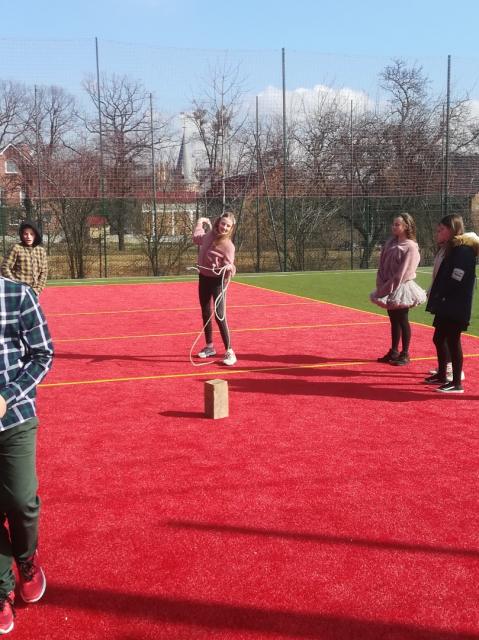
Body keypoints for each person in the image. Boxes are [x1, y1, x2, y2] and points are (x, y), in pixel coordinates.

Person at [0, 276, 54, 635]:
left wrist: (8, 396)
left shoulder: (17, 294)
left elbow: (42, 354)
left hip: (14, 417)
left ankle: (26, 559)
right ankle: (1, 588)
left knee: (20, 500)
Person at [425, 214, 479, 393]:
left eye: (441, 230)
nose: (438, 233)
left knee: (453, 341)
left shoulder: (463, 250)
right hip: (446, 303)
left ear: (451, 229)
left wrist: (442, 294)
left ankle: (456, 383)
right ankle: (442, 374)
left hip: (456, 304)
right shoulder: (453, 249)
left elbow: (458, 277)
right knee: (439, 338)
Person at [370, 213, 427, 366]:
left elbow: (404, 272)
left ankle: (405, 353)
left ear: (406, 226)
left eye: (397, 224)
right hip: (387, 285)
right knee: (393, 319)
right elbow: (382, 265)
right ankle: (394, 351)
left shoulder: (411, 247)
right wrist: (381, 283)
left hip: (401, 288)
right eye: (393, 224)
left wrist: (388, 287)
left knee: (402, 319)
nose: (394, 227)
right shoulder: (390, 242)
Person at [193, 211, 237, 366]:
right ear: (218, 222)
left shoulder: (228, 246)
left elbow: (230, 266)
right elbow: (196, 238)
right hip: (203, 278)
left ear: (231, 228)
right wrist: (200, 222)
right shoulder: (208, 236)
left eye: (228, 226)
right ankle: (209, 347)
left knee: (219, 315)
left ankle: (230, 351)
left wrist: (230, 268)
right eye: (223, 223)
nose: (224, 227)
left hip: (218, 282)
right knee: (205, 312)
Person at [1, 221, 48, 297]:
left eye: (31, 234)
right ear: (22, 235)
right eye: (25, 234)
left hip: (34, 292)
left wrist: (38, 289)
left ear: (35, 235)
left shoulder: (41, 251)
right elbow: (5, 267)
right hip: (17, 292)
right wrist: (16, 284)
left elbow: (44, 272)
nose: (28, 236)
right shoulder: (16, 248)